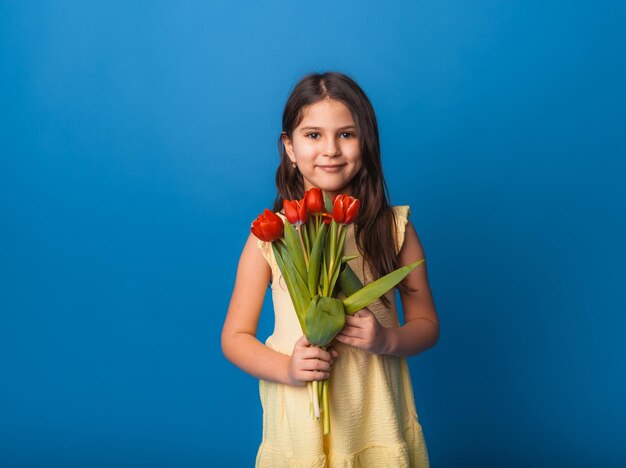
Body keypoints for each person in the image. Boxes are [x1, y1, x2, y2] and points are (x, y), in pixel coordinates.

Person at [222, 71, 439, 467]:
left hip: (372, 416)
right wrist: (288, 368)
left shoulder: (394, 230)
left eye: (346, 134)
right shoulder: (270, 238)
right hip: (302, 419)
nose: (331, 150)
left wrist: (387, 341)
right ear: (289, 147)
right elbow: (234, 337)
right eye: (313, 135)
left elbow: (426, 324)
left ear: (366, 142)